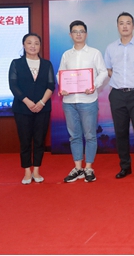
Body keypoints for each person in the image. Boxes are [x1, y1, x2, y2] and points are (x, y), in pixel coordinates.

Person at [57, 21, 107, 183]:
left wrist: (94, 85)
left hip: (88, 100)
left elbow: (103, 72)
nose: (78, 34)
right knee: (74, 136)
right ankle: (78, 168)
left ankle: (89, 168)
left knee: (90, 135)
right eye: (75, 31)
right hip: (69, 101)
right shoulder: (66, 55)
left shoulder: (94, 53)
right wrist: (62, 87)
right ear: (70, 35)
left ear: (86, 34)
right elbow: (60, 74)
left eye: (81, 31)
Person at [104, 12, 134, 179]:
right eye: (121, 23)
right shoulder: (110, 48)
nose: (125, 26)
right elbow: (108, 70)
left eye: (128, 23)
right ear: (117, 26)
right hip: (117, 94)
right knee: (120, 132)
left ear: (133, 26)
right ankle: (125, 166)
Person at [8, 32, 55, 184]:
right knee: (25, 140)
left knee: (40, 140)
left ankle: (36, 170)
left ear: (40, 46)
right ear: (24, 45)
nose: (33, 46)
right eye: (29, 43)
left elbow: (51, 85)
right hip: (22, 108)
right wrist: (27, 102)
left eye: (36, 43)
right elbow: (13, 85)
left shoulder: (47, 64)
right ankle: (27, 171)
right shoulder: (16, 63)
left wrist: (41, 102)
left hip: (43, 108)